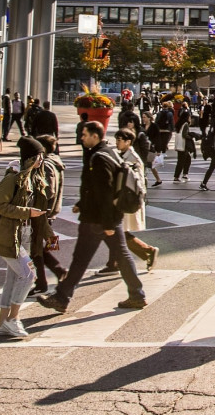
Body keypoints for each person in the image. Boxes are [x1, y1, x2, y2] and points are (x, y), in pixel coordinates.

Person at [38, 122, 148, 313]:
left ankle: (62, 298)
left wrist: (107, 223)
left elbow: (104, 191)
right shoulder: (109, 152)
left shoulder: (99, 158)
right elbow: (99, 188)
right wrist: (83, 204)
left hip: (97, 219)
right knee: (120, 255)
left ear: (95, 136)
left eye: (85, 135)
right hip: (107, 216)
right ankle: (137, 295)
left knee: (81, 259)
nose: (81, 138)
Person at [0, 138, 48, 337]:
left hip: (23, 236)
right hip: (8, 236)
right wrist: (27, 212)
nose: (42, 159)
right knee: (29, 275)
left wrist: (48, 234)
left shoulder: (31, 177)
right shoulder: (12, 179)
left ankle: (1, 324)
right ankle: (12, 319)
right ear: (32, 158)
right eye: (40, 156)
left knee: (13, 280)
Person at [104, 129, 160, 272]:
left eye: (119, 140)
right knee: (116, 232)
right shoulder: (122, 154)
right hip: (121, 200)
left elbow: (135, 183)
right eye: (116, 139)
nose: (117, 142)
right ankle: (114, 263)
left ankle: (147, 251)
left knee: (117, 232)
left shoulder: (132, 158)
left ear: (128, 142)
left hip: (126, 200)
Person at [29, 135, 68, 296]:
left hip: (42, 212)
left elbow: (48, 190)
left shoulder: (46, 165)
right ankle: (56, 274)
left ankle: (46, 280)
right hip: (50, 212)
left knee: (36, 249)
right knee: (41, 247)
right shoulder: (56, 163)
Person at [173, 115, 196, 182]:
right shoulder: (185, 124)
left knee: (184, 160)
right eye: (189, 117)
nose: (190, 119)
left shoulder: (179, 125)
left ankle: (182, 175)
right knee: (182, 161)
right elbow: (184, 135)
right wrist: (191, 137)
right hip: (183, 146)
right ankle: (179, 176)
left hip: (179, 145)